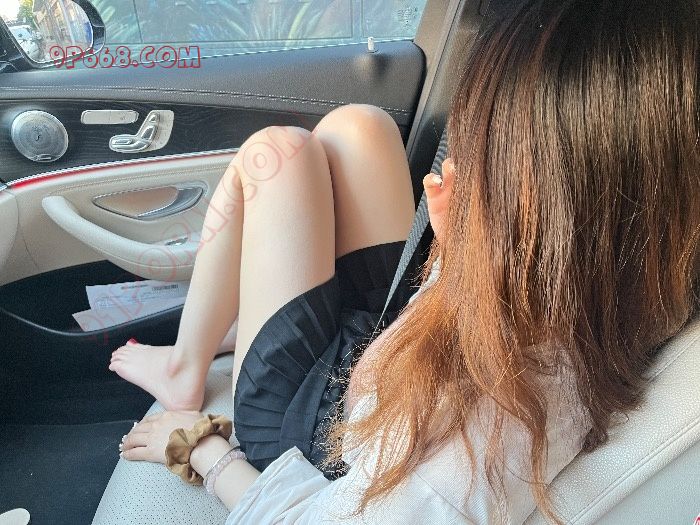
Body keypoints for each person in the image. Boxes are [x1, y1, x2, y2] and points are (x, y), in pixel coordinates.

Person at [113, 0, 700, 522]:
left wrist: (204, 449)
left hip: (309, 433)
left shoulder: (495, 431)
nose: (462, 163)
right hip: (396, 353)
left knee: (273, 154)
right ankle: (239, 325)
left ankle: (185, 367)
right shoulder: (607, 290)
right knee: (359, 127)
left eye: (489, 152)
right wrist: (459, 255)